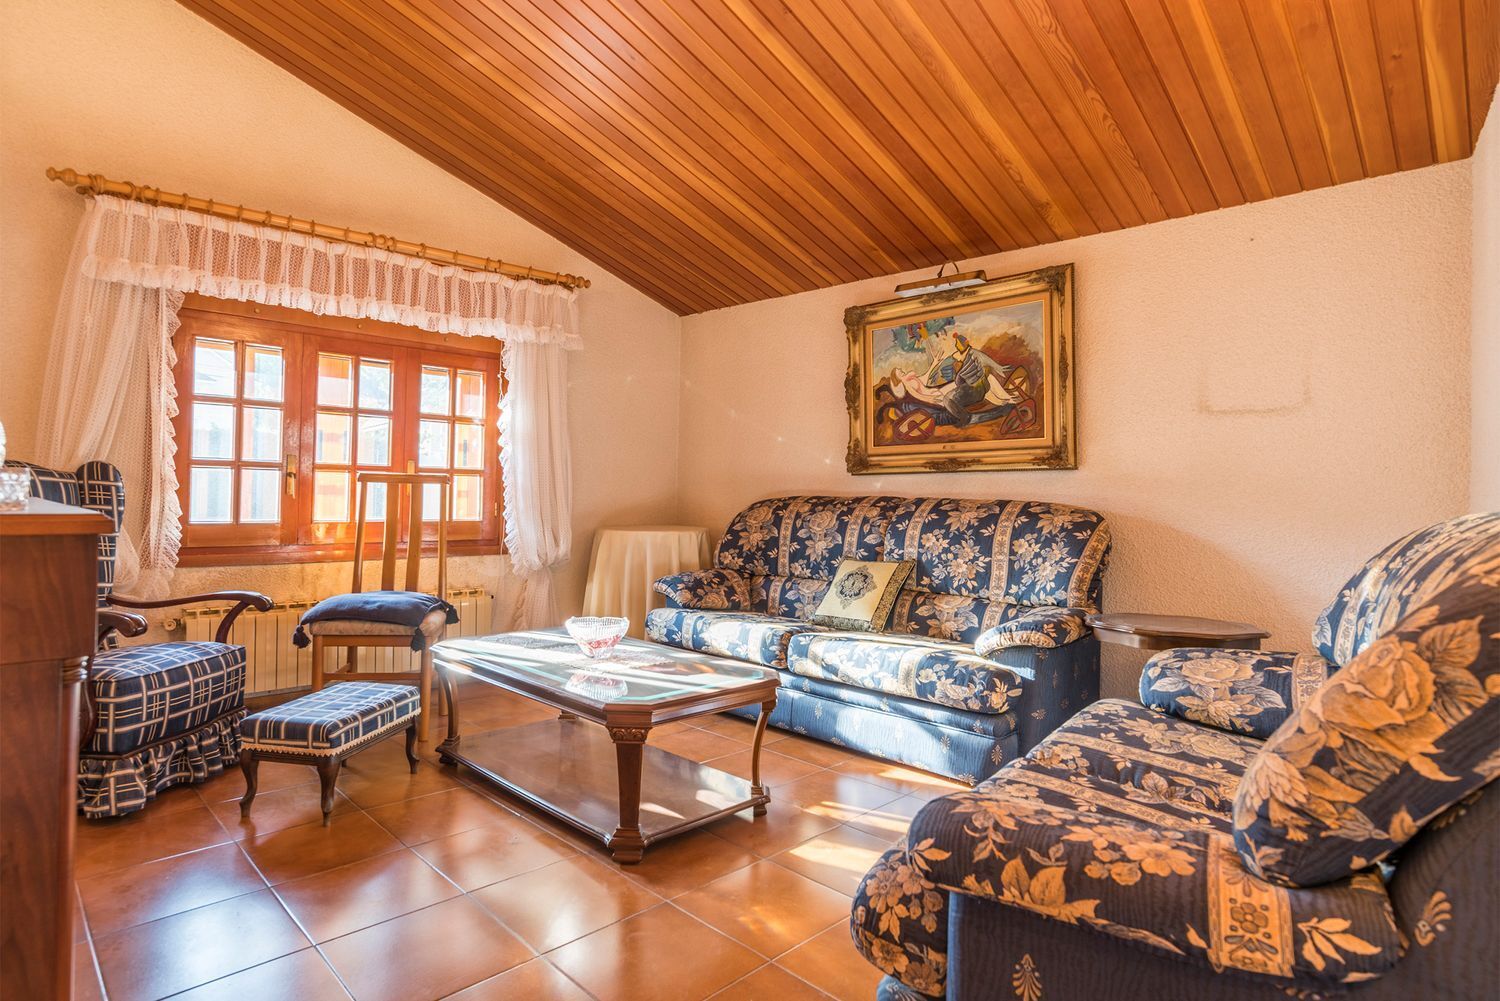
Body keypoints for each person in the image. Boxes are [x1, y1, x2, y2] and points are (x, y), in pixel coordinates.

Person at [889, 334, 1019, 425]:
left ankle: (1004, 398)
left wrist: (935, 363)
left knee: (978, 380)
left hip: (937, 392)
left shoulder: (911, 378)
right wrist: (930, 399)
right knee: (973, 383)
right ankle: (1005, 400)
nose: (900, 370)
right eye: (898, 372)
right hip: (936, 397)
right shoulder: (906, 383)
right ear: (897, 378)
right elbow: (917, 395)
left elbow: (926, 376)